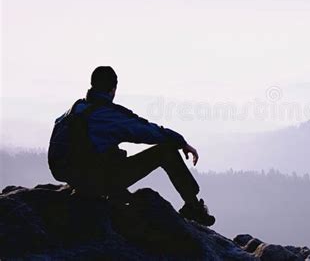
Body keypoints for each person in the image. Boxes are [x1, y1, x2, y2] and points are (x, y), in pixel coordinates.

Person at [48, 66, 215, 226]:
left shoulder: (74, 110)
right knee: (166, 151)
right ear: (113, 89)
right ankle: (194, 208)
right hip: (96, 180)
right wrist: (181, 142)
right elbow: (145, 130)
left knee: (110, 151)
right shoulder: (108, 114)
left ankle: (106, 191)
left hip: (71, 176)